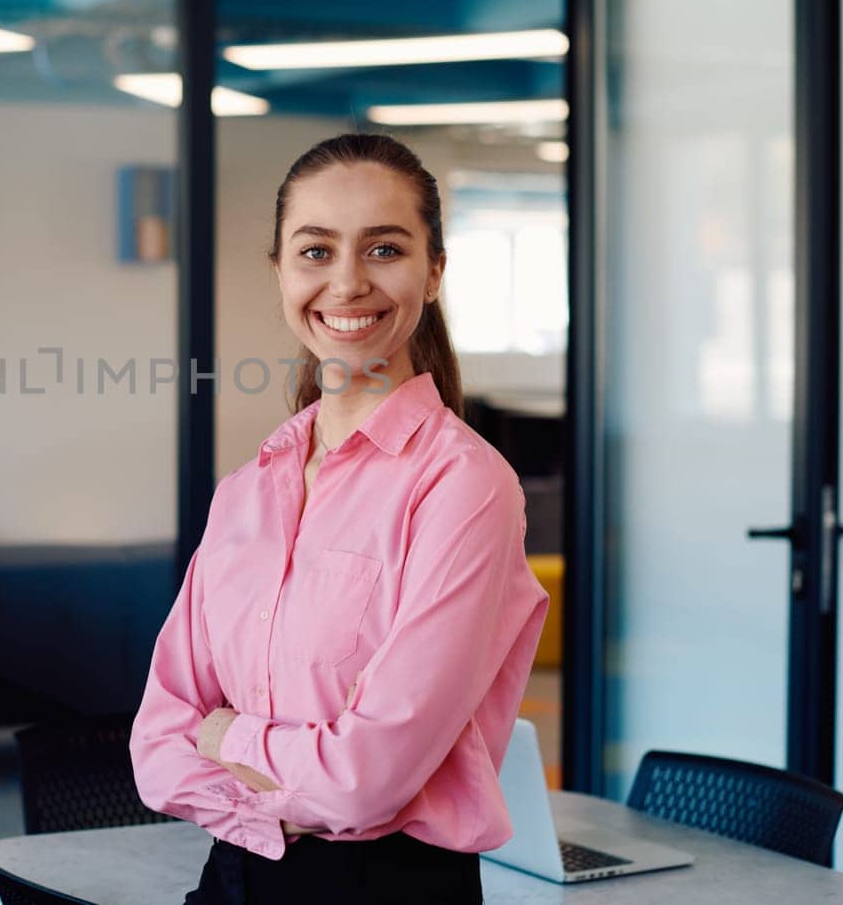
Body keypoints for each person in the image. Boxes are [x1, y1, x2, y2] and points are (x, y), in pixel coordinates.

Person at [130, 133, 550, 903]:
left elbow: (367, 780)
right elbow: (155, 743)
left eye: (384, 248)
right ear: (281, 272)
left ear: (434, 272)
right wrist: (291, 786)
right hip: (229, 879)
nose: (348, 282)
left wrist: (225, 735)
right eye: (316, 251)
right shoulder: (248, 489)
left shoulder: (465, 486)